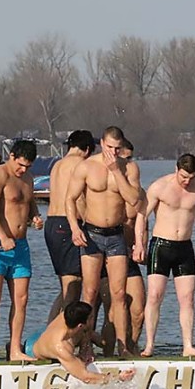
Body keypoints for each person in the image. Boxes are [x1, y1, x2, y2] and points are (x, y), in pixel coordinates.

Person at [65, 126, 143, 357]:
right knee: (90, 292)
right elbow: (70, 198)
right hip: (92, 234)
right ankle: (86, 346)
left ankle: (122, 346)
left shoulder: (129, 168)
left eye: (118, 149)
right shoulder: (87, 166)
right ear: (102, 143)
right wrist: (74, 228)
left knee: (119, 294)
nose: (113, 152)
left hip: (116, 235)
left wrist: (116, 171)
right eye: (110, 148)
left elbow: (133, 200)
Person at [140, 154, 195, 357]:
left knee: (187, 298)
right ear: (176, 169)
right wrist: (139, 243)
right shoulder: (159, 187)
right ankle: (149, 345)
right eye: (183, 177)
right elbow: (141, 215)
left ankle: (188, 345)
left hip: (184, 248)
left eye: (191, 177)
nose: (186, 181)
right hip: (160, 246)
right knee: (155, 295)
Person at [44, 129, 95, 320]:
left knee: (66, 286)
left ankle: (51, 330)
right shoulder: (81, 164)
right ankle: (59, 336)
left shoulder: (57, 164)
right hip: (67, 224)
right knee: (73, 285)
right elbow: (78, 199)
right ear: (88, 149)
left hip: (52, 224)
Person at [0, 140, 42, 361]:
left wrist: (35, 216)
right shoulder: (1, 175)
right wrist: (3, 236)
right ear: (12, 156)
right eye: (21, 165)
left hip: (21, 247)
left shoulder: (28, 178)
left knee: (21, 299)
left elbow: (29, 201)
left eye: (28, 166)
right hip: (0, 246)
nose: (23, 170)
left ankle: (15, 349)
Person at [23, 301, 135, 385]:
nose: (93, 319)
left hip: (44, 333)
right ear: (80, 325)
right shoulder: (62, 348)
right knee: (97, 341)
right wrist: (118, 377)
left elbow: (85, 330)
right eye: (91, 318)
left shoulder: (68, 313)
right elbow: (86, 377)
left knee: (102, 342)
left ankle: (93, 338)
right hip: (32, 348)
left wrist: (85, 348)